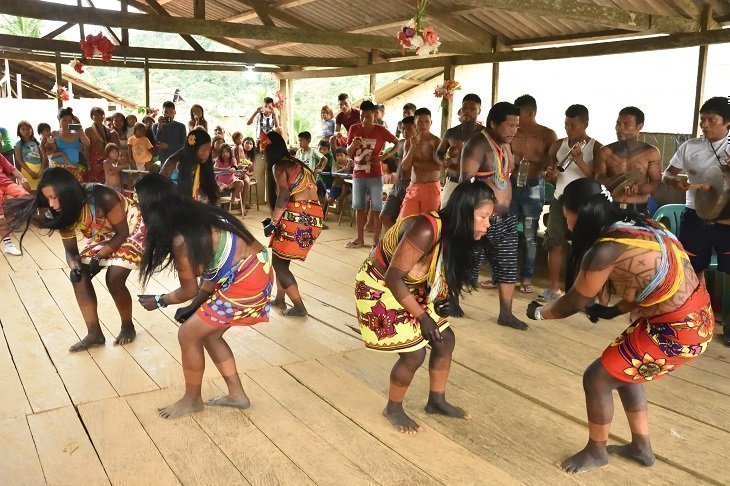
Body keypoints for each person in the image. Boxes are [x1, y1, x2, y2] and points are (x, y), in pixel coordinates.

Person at [526, 178, 714, 473]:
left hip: (677, 331)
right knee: (624, 373)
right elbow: (642, 280)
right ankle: (641, 447)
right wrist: (613, 311)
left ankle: (596, 451)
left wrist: (540, 313)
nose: (564, 220)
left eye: (566, 215)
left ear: (582, 212)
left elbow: (573, 302)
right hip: (693, 318)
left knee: (597, 378)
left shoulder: (606, 250)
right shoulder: (639, 225)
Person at [355, 180, 495, 433]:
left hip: (410, 284)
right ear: (465, 212)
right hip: (380, 286)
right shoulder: (425, 229)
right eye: (483, 217)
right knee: (414, 353)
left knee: (445, 339)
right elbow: (393, 278)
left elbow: (439, 269)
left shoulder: (455, 232)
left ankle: (436, 401)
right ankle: (393, 408)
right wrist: (423, 317)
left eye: (489, 217)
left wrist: (444, 297)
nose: (487, 224)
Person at [135, 174, 272, 418]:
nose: (137, 210)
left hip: (247, 280)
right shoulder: (197, 214)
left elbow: (188, 290)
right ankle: (237, 395)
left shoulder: (180, 239)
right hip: (257, 271)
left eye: (139, 204)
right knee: (208, 334)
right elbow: (215, 267)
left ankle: (192, 399)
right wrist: (196, 305)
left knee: (187, 334)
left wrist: (160, 300)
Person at [3, 168, 144, 350]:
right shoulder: (62, 211)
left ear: (67, 192)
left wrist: (99, 256)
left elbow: (123, 232)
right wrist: (74, 267)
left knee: (114, 277)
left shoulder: (102, 196)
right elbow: (71, 251)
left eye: (54, 197)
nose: (52, 204)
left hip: (131, 228)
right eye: (48, 199)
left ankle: (127, 326)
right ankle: (94, 333)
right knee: (78, 277)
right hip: (103, 235)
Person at [662, 96, 730, 346]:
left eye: (711, 120)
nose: (705, 125)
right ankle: (694, 320)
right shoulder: (690, 146)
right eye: (703, 120)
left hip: (727, 221)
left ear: (728, 123)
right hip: (695, 216)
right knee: (691, 270)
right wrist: (674, 181)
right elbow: (667, 174)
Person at [460, 101, 527, 329]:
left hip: (506, 216)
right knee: (468, 264)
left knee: (508, 264)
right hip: (481, 219)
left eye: (516, 126)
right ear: (493, 123)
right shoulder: (477, 144)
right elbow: (465, 182)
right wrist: (476, 216)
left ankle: (506, 313)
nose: (514, 130)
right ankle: (449, 300)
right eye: (509, 125)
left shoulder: (506, 144)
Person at [540, 104, 602, 302]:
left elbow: (598, 179)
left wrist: (581, 161)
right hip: (560, 199)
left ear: (585, 124)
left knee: (584, 247)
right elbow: (550, 172)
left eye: (573, 125)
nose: (569, 129)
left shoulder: (596, 147)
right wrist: (550, 175)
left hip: (585, 203)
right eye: (566, 124)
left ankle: (582, 290)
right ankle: (553, 288)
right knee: (554, 243)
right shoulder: (558, 144)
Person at [265, 131, 323, 317]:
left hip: (296, 215)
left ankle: (299, 307)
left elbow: (283, 196)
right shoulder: (299, 163)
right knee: (282, 257)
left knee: (279, 264)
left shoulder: (278, 166)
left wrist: (274, 222)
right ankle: (280, 298)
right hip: (314, 215)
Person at [509, 94, 558, 294]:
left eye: (519, 113)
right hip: (511, 185)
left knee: (530, 235)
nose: (516, 118)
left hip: (533, 185)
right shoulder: (511, 131)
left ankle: (527, 277)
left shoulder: (547, 134)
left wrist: (535, 162)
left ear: (530, 113)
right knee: (507, 232)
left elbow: (551, 163)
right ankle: (502, 275)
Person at [346, 100, 398, 248]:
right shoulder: (353, 128)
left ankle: (376, 240)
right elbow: (349, 154)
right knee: (359, 207)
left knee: (376, 207)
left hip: (375, 174)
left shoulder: (381, 130)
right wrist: (353, 146)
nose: (364, 120)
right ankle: (359, 238)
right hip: (358, 174)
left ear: (374, 116)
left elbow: (397, 143)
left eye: (368, 117)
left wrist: (383, 157)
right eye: (362, 116)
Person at [594, 107, 661, 214]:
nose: (620, 128)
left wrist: (639, 189)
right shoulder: (605, 152)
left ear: (639, 126)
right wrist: (621, 180)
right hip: (610, 207)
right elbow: (598, 181)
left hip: (639, 208)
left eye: (626, 124)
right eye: (618, 123)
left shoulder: (651, 152)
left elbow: (656, 183)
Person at [436, 94, 483, 208]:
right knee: (446, 217)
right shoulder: (451, 132)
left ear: (479, 111)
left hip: (476, 183)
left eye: (472, 109)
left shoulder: (484, 134)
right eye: (465, 108)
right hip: (453, 181)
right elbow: (438, 153)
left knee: (473, 219)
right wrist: (443, 161)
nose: (467, 111)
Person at [398, 107, 441, 219]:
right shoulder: (409, 142)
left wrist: (416, 164)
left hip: (431, 187)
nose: (423, 125)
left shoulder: (436, 141)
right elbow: (405, 167)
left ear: (431, 122)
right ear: (414, 123)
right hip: (414, 186)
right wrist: (412, 148)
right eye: (420, 122)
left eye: (427, 121)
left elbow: (438, 166)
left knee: (429, 224)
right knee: (404, 222)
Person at [161, 128, 218, 204]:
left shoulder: (200, 164)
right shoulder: (172, 163)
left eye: (208, 150)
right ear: (193, 148)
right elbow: (159, 189)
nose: (206, 154)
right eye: (203, 150)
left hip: (191, 208)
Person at [380, 116, 416, 234]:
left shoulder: (420, 144)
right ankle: (391, 244)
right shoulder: (400, 143)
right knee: (385, 216)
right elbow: (388, 154)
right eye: (403, 129)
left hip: (411, 184)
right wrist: (382, 157)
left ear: (416, 128)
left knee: (405, 221)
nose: (405, 132)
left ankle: (397, 244)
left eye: (408, 129)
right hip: (397, 184)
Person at [0, 153, 30, 255]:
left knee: (25, 197)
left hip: (6, 183)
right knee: (0, 217)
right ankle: (9, 245)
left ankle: (11, 221)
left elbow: (13, 169)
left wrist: (23, 179)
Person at [53, 107, 91, 181]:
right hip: (59, 169)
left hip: (74, 168)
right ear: (59, 120)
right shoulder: (55, 134)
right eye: (64, 120)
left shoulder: (77, 134)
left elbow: (88, 144)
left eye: (70, 121)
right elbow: (49, 152)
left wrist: (82, 133)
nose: (67, 123)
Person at [153, 101, 187, 166]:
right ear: (162, 112)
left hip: (176, 160)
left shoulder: (181, 126)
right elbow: (157, 142)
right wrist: (159, 127)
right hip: (162, 159)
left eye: (171, 112)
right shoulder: (155, 126)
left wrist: (168, 146)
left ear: (175, 113)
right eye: (166, 112)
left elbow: (183, 145)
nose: (168, 114)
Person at [14, 121, 44, 192]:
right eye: (23, 129)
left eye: (28, 129)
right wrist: (30, 172)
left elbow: (42, 157)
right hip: (27, 171)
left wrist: (41, 170)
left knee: (40, 190)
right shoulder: (18, 144)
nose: (26, 131)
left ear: (31, 130)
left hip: (39, 170)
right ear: (19, 131)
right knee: (29, 191)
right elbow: (19, 160)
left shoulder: (37, 142)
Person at [84, 107, 112, 183]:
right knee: (95, 182)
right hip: (94, 161)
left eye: (101, 115)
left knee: (106, 181)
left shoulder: (107, 130)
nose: (99, 117)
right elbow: (86, 148)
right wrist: (88, 164)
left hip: (106, 159)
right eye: (96, 115)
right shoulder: (89, 130)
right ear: (92, 117)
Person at [324, 147, 353, 221]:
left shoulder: (350, 162)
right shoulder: (335, 164)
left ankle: (341, 199)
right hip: (336, 186)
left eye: (341, 155)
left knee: (345, 184)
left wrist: (351, 166)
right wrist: (343, 169)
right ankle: (327, 194)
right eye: (337, 156)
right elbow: (334, 174)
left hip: (349, 186)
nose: (339, 157)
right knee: (330, 200)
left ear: (345, 156)